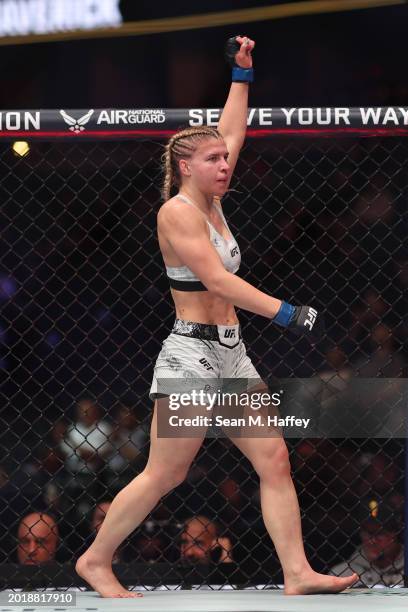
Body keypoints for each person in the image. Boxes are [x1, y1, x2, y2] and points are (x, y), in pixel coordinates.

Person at [76, 35, 357, 597]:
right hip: (191, 356)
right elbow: (218, 280)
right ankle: (95, 560)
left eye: (226, 159)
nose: (226, 163)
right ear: (185, 166)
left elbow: (231, 130)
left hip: (229, 351)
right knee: (165, 473)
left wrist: (242, 75)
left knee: (274, 456)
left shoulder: (213, 199)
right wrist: (288, 313)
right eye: (213, 160)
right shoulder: (177, 213)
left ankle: (297, 573)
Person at [330, 498, 403, 587]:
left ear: (395, 533)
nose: (372, 540)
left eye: (379, 533)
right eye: (367, 532)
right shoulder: (343, 573)